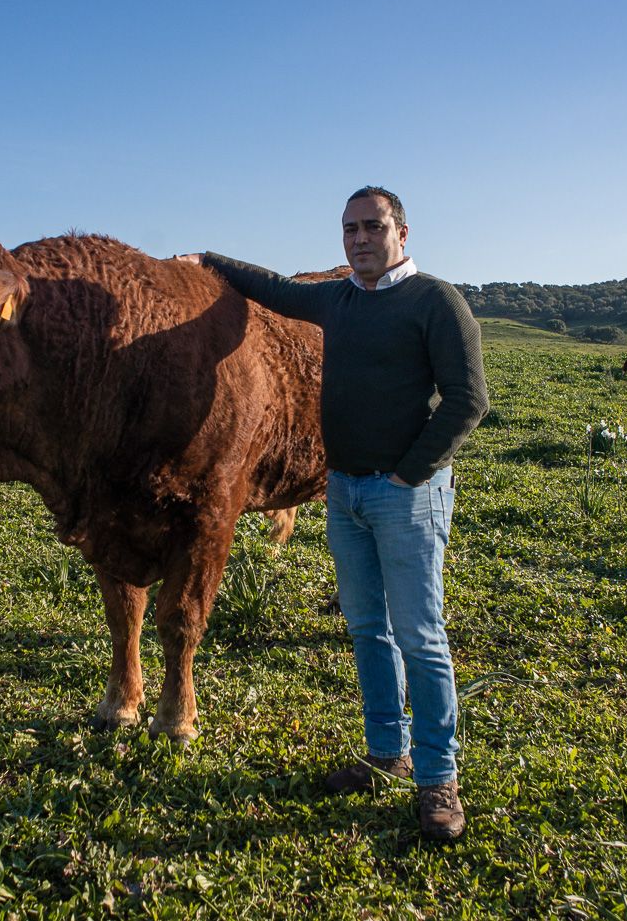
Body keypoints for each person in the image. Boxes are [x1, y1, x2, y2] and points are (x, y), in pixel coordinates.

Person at [177, 186, 488, 839]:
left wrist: (409, 472)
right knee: (368, 626)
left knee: (421, 635)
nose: (359, 238)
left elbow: (468, 400)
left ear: (402, 231)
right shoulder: (338, 298)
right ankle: (386, 752)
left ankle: (438, 778)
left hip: (406, 493)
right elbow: (271, 288)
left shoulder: (436, 301)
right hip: (342, 490)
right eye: (350, 229)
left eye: (373, 226)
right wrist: (207, 258)